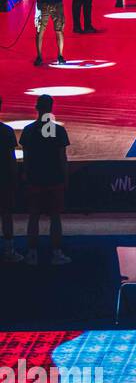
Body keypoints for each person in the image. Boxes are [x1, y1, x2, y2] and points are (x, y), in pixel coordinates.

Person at [19, 94, 71, 265]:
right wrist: (65, 176)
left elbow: (26, 157)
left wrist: (26, 174)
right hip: (54, 178)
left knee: (33, 216)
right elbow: (61, 157)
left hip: (35, 177)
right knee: (55, 216)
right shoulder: (59, 131)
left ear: (36, 107)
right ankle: (56, 253)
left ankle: (32, 253)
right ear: (51, 108)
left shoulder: (28, 130)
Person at [0, 96, 20, 262]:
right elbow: (11, 158)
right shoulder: (6, 131)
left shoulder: (7, 131)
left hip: (5, 178)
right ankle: (8, 249)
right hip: (4, 178)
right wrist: (15, 178)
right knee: (7, 214)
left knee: (7, 214)